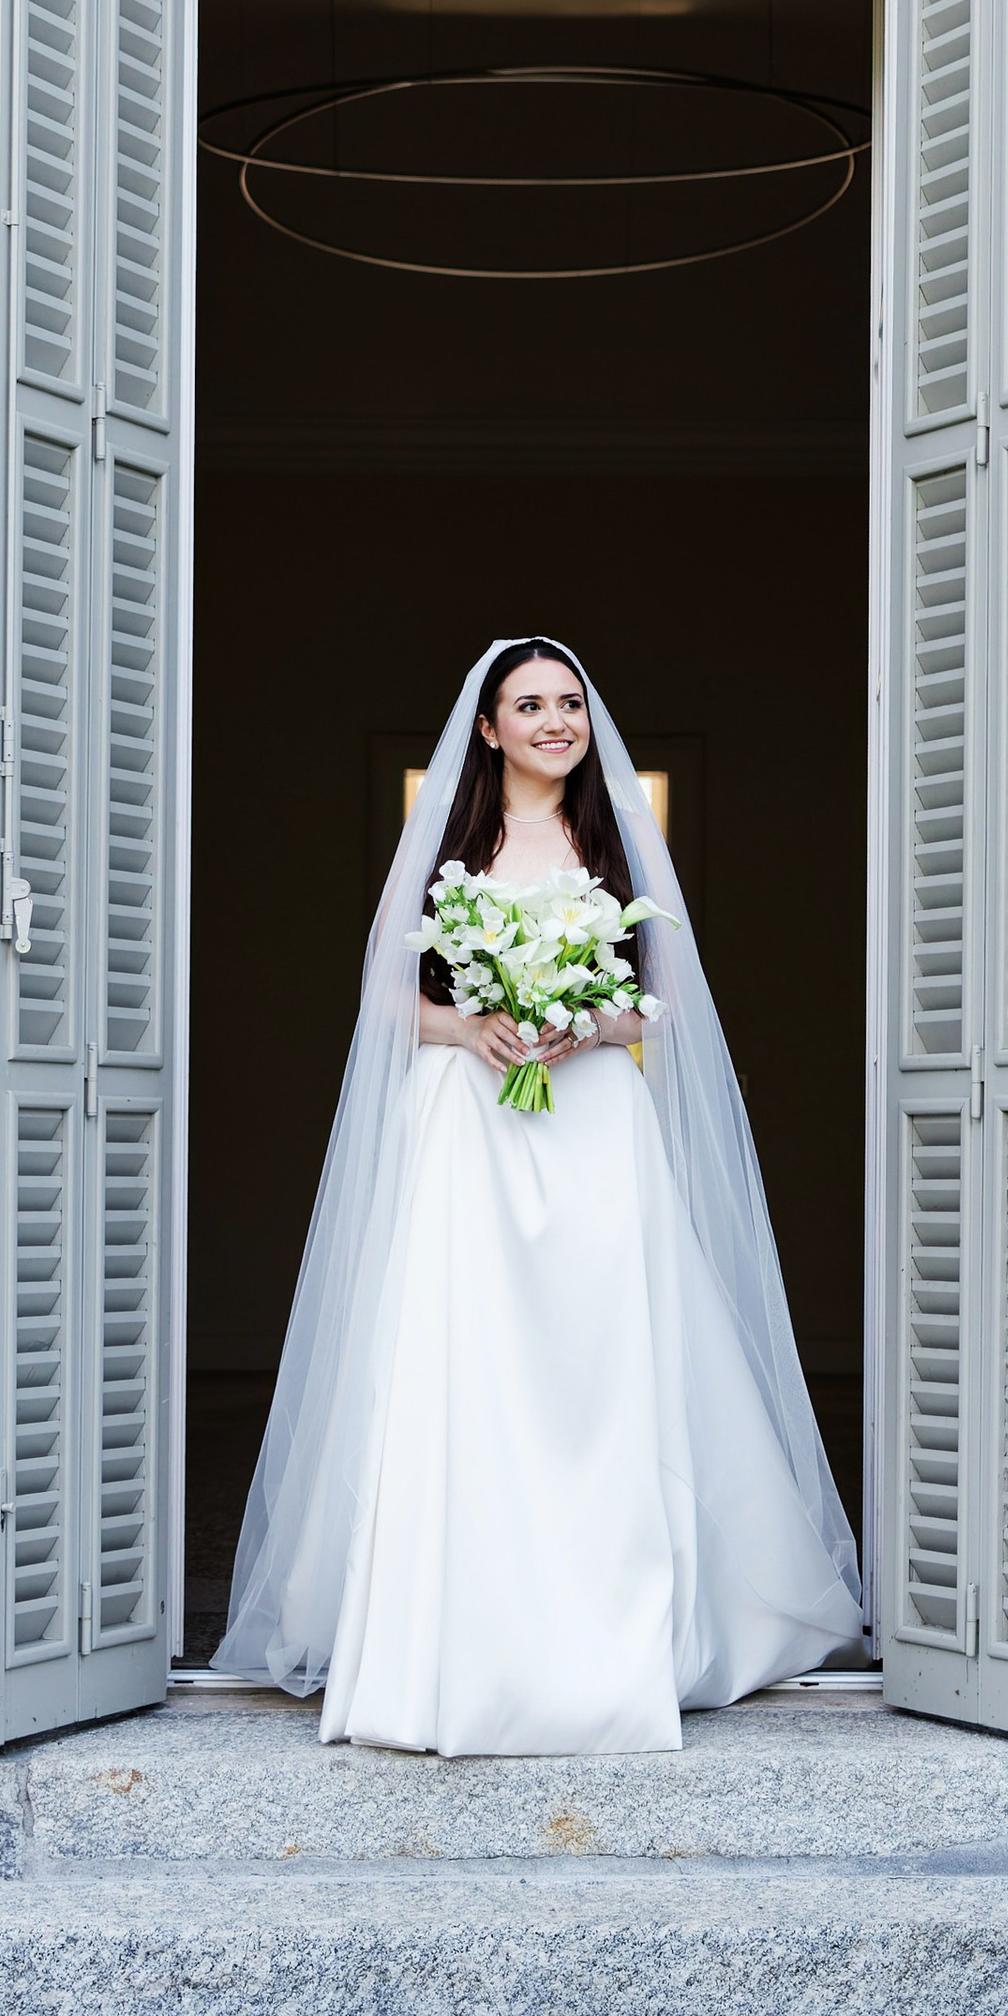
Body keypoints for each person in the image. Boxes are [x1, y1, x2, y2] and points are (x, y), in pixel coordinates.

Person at [214, 636, 861, 1752]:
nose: (555, 721)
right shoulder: (446, 848)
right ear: (488, 728)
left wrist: (587, 1023)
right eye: (529, 705)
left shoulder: (616, 842)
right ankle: (459, 1637)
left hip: (594, 1125)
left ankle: (621, 1626)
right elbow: (386, 1002)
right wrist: (470, 1027)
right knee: (465, 1355)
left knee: (600, 1360)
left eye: (569, 703)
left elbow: (658, 1002)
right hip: (467, 1127)